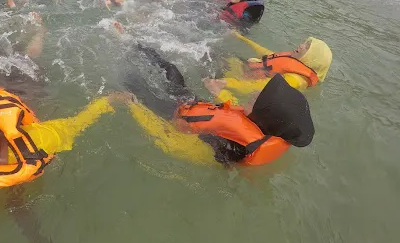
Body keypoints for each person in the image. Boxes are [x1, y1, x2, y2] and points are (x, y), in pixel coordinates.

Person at [123, 46, 314, 166]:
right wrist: (217, 89)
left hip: (170, 116)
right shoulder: (251, 121)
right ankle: (132, 45)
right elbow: (232, 109)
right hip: (191, 104)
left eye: (261, 98)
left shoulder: (225, 149)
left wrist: (132, 106)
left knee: (133, 82)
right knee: (171, 69)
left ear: (263, 115)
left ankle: (122, 65)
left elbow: (172, 144)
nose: (256, 93)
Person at [203, 33, 333, 105]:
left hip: (245, 87)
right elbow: (266, 54)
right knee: (211, 51)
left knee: (205, 64)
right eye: (305, 42)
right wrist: (242, 38)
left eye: (307, 46)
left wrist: (226, 83)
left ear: (313, 58)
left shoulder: (296, 80)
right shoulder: (292, 60)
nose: (301, 44)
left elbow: (260, 87)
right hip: (245, 72)